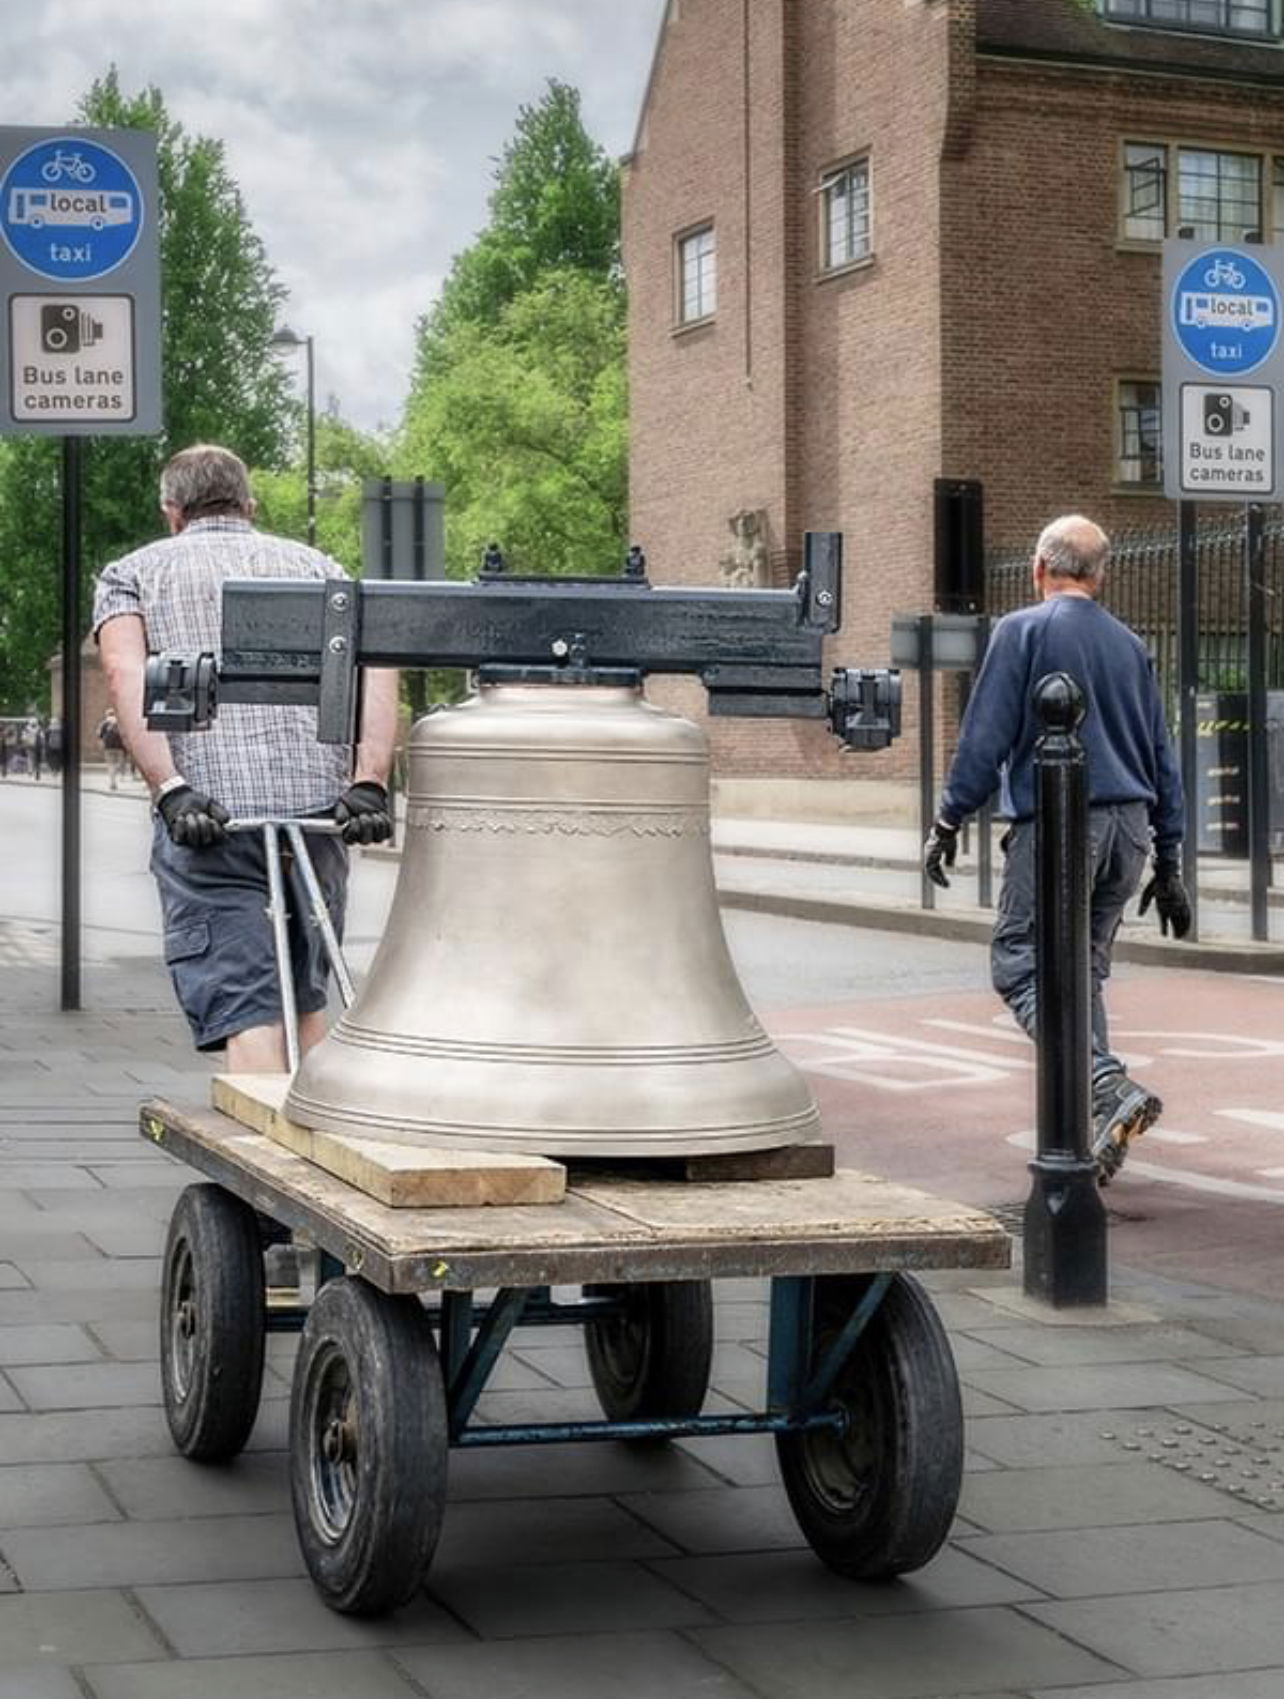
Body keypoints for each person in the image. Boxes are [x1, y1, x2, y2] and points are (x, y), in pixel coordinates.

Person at [93, 443, 400, 1073]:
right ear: (250, 506)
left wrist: (171, 787)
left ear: (171, 512)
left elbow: (128, 676)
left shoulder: (132, 574)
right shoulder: (321, 569)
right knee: (306, 997)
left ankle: (263, 1161)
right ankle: (319, 1146)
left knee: (249, 1007)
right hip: (315, 815)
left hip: (211, 817)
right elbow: (377, 668)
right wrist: (369, 780)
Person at [923, 514, 1190, 1182]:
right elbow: (1163, 754)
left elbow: (986, 737)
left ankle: (1102, 1082)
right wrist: (1171, 858)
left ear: (1039, 569)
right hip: (1129, 832)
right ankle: (1095, 1121)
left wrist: (949, 818)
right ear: (1101, 576)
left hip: (1061, 827)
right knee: (1082, 972)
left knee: (1020, 961)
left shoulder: (1022, 630)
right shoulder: (1130, 644)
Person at [97, 706, 127, 789]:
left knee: (111, 765)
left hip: (108, 747)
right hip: (120, 746)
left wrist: (101, 744)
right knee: (119, 764)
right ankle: (119, 774)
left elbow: (99, 735)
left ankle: (112, 782)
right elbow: (125, 734)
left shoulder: (104, 723)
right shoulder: (120, 722)